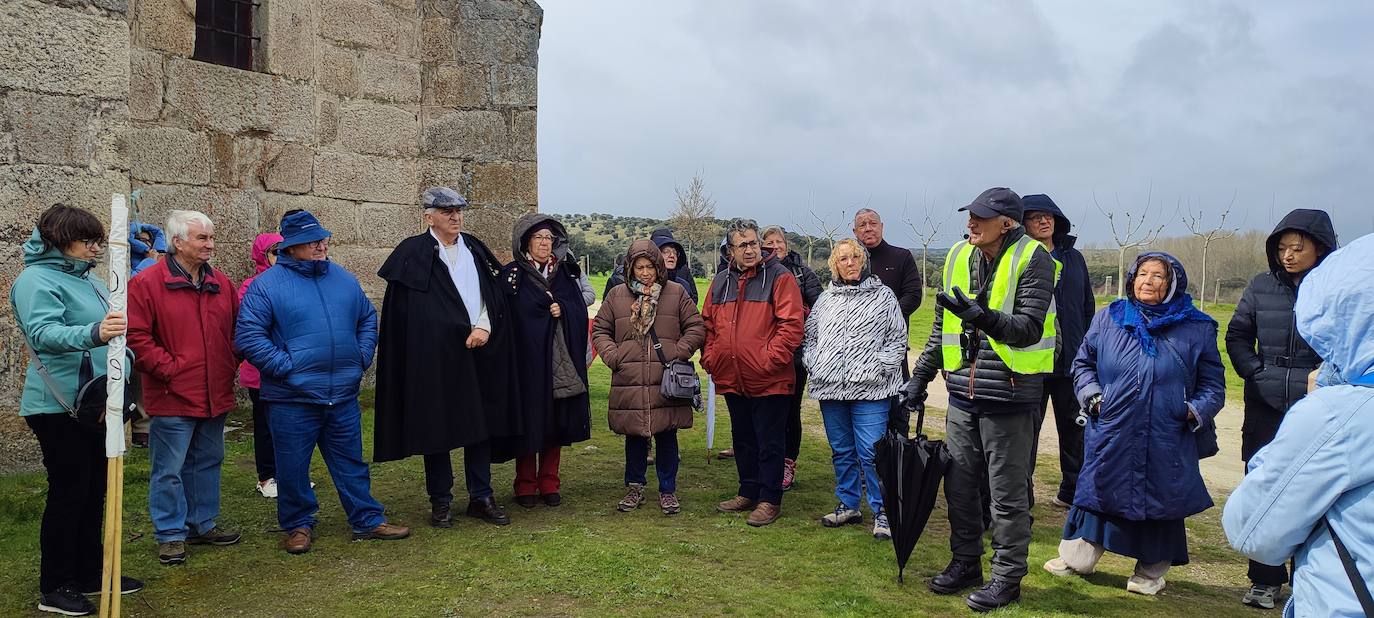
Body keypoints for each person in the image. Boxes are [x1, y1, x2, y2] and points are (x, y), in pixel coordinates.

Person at [903, 188, 1057, 612]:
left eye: (980, 218)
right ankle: (966, 563)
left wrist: (982, 317)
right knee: (960, 486)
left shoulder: (1035, 259)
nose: (971, 224)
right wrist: (920, 379)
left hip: (1010, 394)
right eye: (969, 216)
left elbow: (1028, 328)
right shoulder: (957, 255)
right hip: (961, 396)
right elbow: (941, 329)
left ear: (1007, 223)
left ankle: (1007, 579)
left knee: (1007, 496)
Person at [1043, 253, 1225, 596]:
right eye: (1142, 273)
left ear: (1172, 284)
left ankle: (1150, 572)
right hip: (1112, 426)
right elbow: (1083, 364)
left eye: (1158, 276)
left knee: (1161, 500)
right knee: (1097, 491)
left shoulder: (1197, 327)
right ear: (1131, 278)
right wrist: (1094, 397)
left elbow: (1213, 385)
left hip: (1167, 432)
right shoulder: (1110, 317)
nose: (1148, 281)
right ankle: (1076, 558)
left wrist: (1191, 410)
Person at [235, 210, 409, 554]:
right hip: (291, 398)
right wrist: (286, 366)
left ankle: (367, 519)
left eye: (322, 238)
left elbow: (366, 318)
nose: (320, 244)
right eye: (311, 240)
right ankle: (298, 525)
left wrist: (359, 358)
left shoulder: (342, 279)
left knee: (351, 462)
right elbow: (249, 336)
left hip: (341, 393)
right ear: (291, 246)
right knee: (292, 466)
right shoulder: (267, 285)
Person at [1224, 232, 1374, 618]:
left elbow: (1251, 527)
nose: (1288, 255)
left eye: (1298, 248)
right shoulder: (1262, 285)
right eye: (1281, 248)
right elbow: (1238, 335)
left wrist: (1324, 393)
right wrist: (1257, 374)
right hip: (1267, 400)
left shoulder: (1337, 417)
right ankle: (1265, 581)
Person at [11, 205, 144, 616]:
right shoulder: (36, 280)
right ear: (59, 240)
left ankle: (89, 571)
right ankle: (56, 585)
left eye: (98, 240)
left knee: (95, 492)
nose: (96, 248)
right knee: (70, 493)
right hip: (58, 406)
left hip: (96, 403)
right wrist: (95, 332)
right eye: (88, 241)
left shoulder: (91, 281)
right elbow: (44, 333)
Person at [373, 187, 519, 527]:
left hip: (479, 351)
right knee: (435, 426)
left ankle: (481, 496)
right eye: (446, 211)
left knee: (480, 426)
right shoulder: (411, 253)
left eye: (458, 211)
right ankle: (441, 501)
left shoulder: (475, 249)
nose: (455, 217)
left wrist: (483, 326)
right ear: (429, 216)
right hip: (433, 357)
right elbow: (405, 315)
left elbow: (494, 296)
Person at [127, 210, 242, 566]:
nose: (210, 244)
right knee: (169, 468)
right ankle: (170, 534)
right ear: (177, 242)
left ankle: (201, 523)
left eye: (211, 237)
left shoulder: (221, 283)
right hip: (172, 392)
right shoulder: (147, 284)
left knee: (208, 460)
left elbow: (237, 330)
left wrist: (228, 363)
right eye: (202, 238)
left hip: (215, 391)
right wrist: (170, 369)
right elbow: (136, 336)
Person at [702, 218, 805, 527]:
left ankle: (769, 499)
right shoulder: (721, 281)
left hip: (769, 378)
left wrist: (768, 361)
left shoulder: (780, 278)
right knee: (743, 437)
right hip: (732, 376)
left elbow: (791, 326)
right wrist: (712, 357)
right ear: (729, 250)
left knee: (770, 441)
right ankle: (747, 490)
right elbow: (707, 323)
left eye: (753, 243)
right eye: (742, 244)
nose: (750, 250)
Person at [592, 239, 705, 515]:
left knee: (667, 436)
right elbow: (600, 330)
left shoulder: (676, 293)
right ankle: (635, 486)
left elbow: (696, 327)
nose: (645, 273)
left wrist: (678, 351)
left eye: (650, 266)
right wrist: (614, 356)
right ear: (630, 269)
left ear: (659, 267)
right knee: (634, 436)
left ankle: (668, 489)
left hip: (664, 378)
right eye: (639, 267)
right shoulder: (617, 295)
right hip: (629, 377)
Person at [803, 239, 906, 539]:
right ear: (834, 264)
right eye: (844, 258)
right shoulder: (825, 300)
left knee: (872, 452)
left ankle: (883, 511)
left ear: (863, 261)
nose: (850, 263)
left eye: (855, 257)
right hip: (831, 388)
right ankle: (848, 503)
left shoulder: (883, 297)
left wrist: (878, 366)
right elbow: (809, 338)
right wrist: (815, 361)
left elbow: (898, 338)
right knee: (842, 450)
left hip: (871, 390)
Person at [501, 214, 593, 508]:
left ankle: (549, 482)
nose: (544, 243)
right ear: (526, 241)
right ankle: (525, 484)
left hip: (558, 360)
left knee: (555, 423)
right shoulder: (513, 275)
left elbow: (579, 309)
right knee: (529, 421)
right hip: (526, 362)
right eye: (538, 237)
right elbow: (508, 317)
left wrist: (561, 308)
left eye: (549, 238)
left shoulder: (565, 273)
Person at [1021, 194, 1095, 509]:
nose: (1044, 221)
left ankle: (1072, 491)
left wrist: (1090, 349)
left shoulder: (1074, 258)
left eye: (1049, 216)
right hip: (1032, 360)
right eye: (1036, 216)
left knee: (1075, 429)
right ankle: (1021, 493)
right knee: (1026, 432)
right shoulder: (1018, 257)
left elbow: (1087, 305)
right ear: (1022, 223)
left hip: (1071, 361)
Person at [761, 226, 822, 491]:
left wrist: (800, 313)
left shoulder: (802, 273)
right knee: (765, 409)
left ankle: (787, 462)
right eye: (769, 242)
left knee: (789, 410)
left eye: (779, 241)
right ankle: (765, 458)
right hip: (762, 351)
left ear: (787, 245)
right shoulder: (758, 272)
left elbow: (821, 309)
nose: (775, 245)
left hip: (795, 352)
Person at [852, 208, 923, 435]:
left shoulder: (901, 257)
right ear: (855, 232)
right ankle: (865, 466)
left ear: (882, 226)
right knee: (863, 414)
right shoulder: (851, 262)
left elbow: (913, 296)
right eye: (862, 225)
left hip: (894, 347)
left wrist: (882, 320)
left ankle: (897, 465)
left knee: (897, 413)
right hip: (858, 351)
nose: (868, 228)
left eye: (872, 223)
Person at [237, 232, 283, 499]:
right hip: (261, 371)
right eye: (274, 252)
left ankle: (287, 474)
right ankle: (267, 476)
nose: (280, 257)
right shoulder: (251, 286)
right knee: (265, 427)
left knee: (289, 426)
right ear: (262, 256)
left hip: (290, 368)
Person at [128, 221, 165, 449]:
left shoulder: (154, 258)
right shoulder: (136, 264)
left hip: (153, 327)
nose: (146, 245)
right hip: (135, 328)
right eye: (140, 242)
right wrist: (149, 257)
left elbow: (159, 237)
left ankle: (147, 426)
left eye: (147, 242)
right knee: (136, 380)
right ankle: (141, 427)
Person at [602, 227, 697, 305]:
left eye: (675, 252)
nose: (672, 255)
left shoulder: (682, 286)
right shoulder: (619, 281)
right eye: (666, 251)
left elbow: (692, 317)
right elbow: (605, 320)